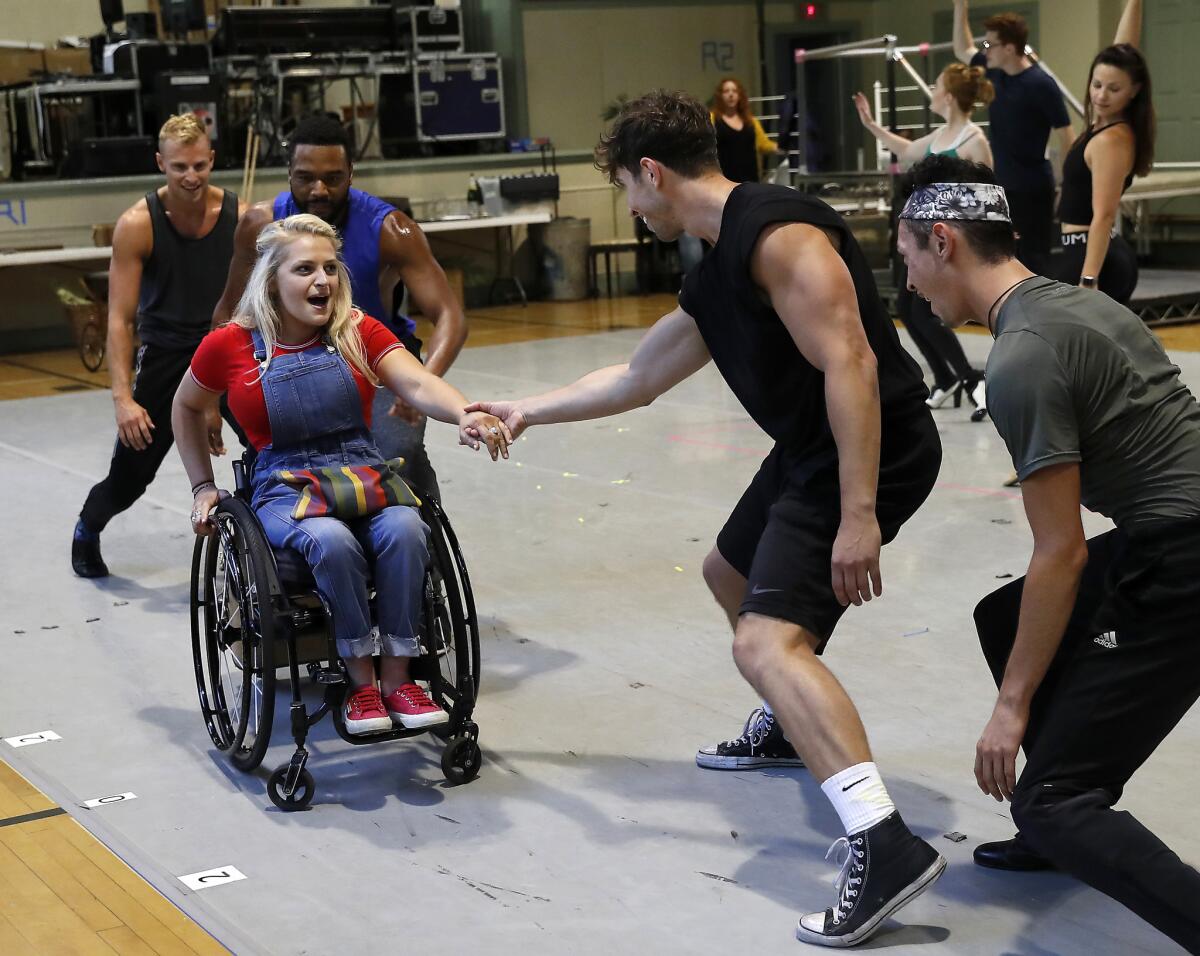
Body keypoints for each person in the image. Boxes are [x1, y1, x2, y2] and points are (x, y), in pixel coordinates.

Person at [468, 90, 945, 947]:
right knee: (728, 572)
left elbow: (856, 367)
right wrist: (527, 409)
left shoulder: (779, 236)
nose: (632, 208)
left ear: (650, 173)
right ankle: (796, 723)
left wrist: (860, 514)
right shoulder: (716, 263)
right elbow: (637, 376)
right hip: (811, 450)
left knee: (765, 642)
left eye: (625, 190)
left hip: (868, 446)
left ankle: (883, 840)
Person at [896, 154, 1200, 954]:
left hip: (1184, 558)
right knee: (1006, 618)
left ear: (944, 242)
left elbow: (1059, 552)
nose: (911, 288)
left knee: (1053, 799)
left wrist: (1010, 709)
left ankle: (1062, 813)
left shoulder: (1021, 357)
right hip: (1172, 531)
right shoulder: (1074, 303)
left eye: (908, 262)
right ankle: (1060, 819)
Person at [173, 215, 510, 734]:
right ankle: (361, 684)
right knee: (329, 541)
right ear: (271, 281)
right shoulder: (230, 345)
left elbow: (417, 384)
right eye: (305, 269)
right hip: (284, 485)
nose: (322, 281)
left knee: (405, 528)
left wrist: (465, 413)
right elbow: (185, 408)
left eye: (330, 268)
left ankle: (398, 678)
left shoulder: (356, 330)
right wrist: (202, 486)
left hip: (360, 470)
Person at [213, 114, 466, 500]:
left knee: (397, 453)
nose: (318, 189)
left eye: (332, 178)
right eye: (305, 177)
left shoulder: (391, 230)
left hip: (374, 360)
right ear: (288, 174)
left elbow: (450, 316)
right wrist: (210, 400)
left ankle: (422, 543)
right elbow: (227, 315)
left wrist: (420, 386)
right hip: (285, 360)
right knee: (284, 462)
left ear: (351, 173)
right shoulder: (258, 227)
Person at [72, 114, 244, 578]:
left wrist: (216, 396)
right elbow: (120, 319)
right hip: (166, 357)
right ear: (160, 164)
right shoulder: (137, 224)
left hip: (226, 351)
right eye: (179, 167)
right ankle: (88, 527)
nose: (191, 177)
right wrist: (122, 398)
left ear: (212, 160)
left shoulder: (240, 217)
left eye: (199, 166)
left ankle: (274, 542)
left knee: (271, 447)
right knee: (131, 477)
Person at [853, 63, 994, 417]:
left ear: (947, 95)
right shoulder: (940, 136)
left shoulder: (974, 141)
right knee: (907, 307)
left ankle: (968, 376)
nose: (930, 90)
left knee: (923, 311)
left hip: (952, 244)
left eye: (936, 85)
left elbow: (990, 197)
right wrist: (871, 126)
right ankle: (947, 379)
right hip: (924, 240)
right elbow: (907, 150)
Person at [953, 2, 1074, 278]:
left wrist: (1064, 182)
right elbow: (963, 49)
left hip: (1032, 188)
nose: (985, 50)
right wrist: (960, 7)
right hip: (1002, 185)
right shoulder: (996, 72)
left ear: (1009, 48)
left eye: (990, 45)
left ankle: (1041, 318)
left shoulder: (1041, 84)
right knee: (1003, 257)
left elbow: (1066, 133)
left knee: (1034, 259)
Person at [1055, 0, 1152, 305]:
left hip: (1093, 256)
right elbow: (1125, 49)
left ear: (1134, 90)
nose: (1100, 95)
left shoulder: (1112, 140)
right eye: (1096, 84)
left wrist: (1088, 279)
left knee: (1078, 350)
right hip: (1085, 249)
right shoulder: (1102, 122)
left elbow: (1105, 214)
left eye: (1113, 89)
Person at [680, 78, 782, 272]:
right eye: (726, 91)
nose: (731, 94)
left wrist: (784, 147)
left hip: (749, 185)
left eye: (734, 91)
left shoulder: (750, 122)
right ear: (720, 95)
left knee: (746, 231)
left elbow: (764, 144)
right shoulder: (713, 120)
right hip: (722, 187)